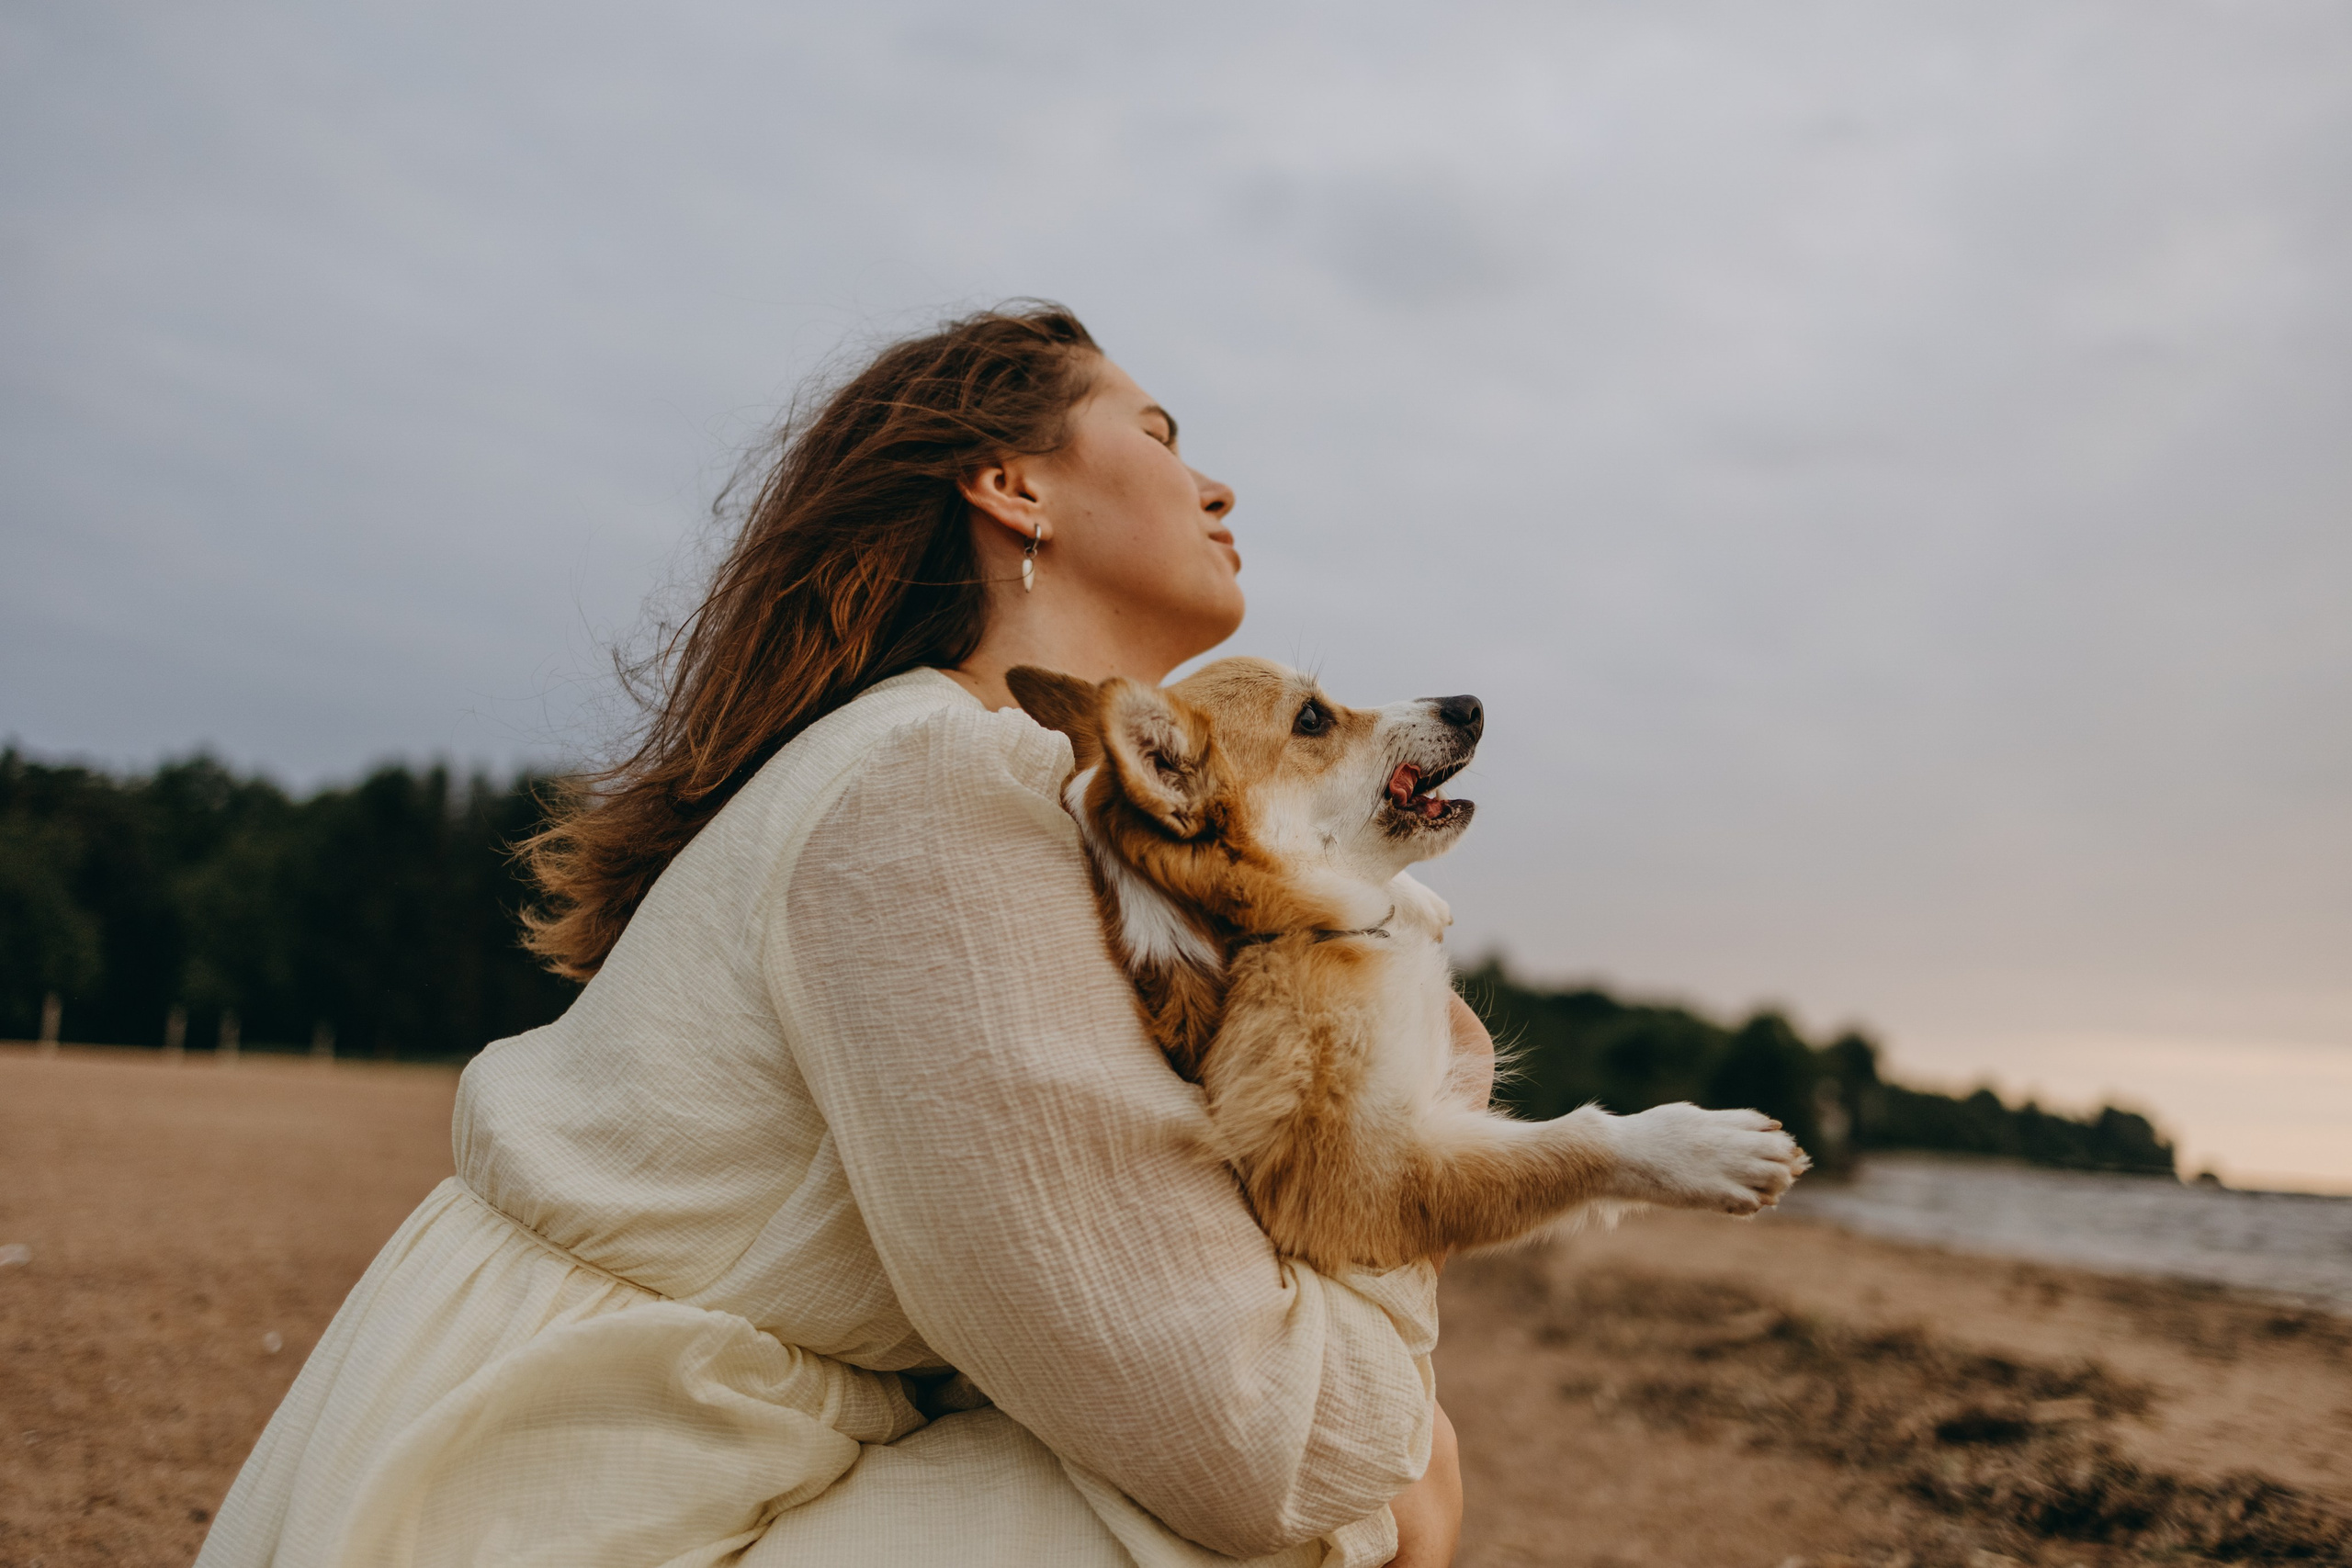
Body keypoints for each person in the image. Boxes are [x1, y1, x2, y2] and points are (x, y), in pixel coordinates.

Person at [196, 302, 1494, 1568]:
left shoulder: (981, 779)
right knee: (1336, 1494)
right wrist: (1419, 1096)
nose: (1216, 487)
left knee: (1363, 1464)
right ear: (1012, 489)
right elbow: (1256, 1441)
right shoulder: (937, 790)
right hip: (555, 1497)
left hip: (604, 1445)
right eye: (1157, 435)